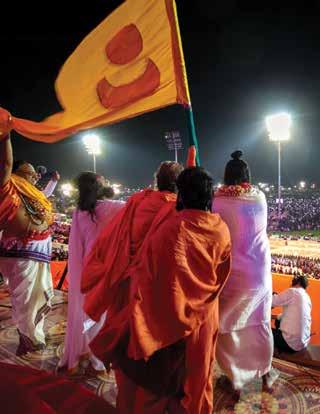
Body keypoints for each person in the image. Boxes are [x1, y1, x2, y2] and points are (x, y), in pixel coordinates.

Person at [91, 166, 232, 414]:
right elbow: (222, 273)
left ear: (182, 194)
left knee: (157, 385)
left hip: (166, 319)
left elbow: (149, 278)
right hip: (203, 316)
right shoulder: (221, 228)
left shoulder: (170, 228)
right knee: (196, 375)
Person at [81, 161, 183, 324]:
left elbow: (112, 235)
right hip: (155, 283)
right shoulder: (177, 208)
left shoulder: (139, 200)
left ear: (157, 180)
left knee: (122, 326)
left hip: (126, 277)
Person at [212, 150, 276, 393]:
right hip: (259, 273)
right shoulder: (259, 198)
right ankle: (266, 373)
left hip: (232, 275)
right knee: (260, 323)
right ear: (247, 176)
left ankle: (234, 379)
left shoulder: (217, 202)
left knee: (227, 327)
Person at [57, 172, 125, 375]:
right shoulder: (113, 207)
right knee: (100, 314)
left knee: (87, 311)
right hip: (104, 268)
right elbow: (138, 208)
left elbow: (76, 243)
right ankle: (96, 358)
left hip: (86, 267)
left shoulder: (80, 211)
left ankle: (85, 352)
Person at [0, 132, 54, 355]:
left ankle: (33, 334)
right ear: (16, 173)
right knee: (25, 300)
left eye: (34, 174)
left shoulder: (33, 193)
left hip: (38, 251)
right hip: (19, 252)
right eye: (29, 173)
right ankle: (27, 339)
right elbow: (6, 162)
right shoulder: (8, 185)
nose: (34, 177)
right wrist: (5, 136)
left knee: (38, 297)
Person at [272, 274, 312, 353]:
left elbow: (271, 301)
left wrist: (273, 295)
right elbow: (285, 316)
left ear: (298, 282)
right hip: (302, 344)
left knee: (262, 332)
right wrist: (272, 316)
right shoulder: (307, 298)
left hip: (289, 343)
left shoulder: (293, 291)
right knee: (278, 321)